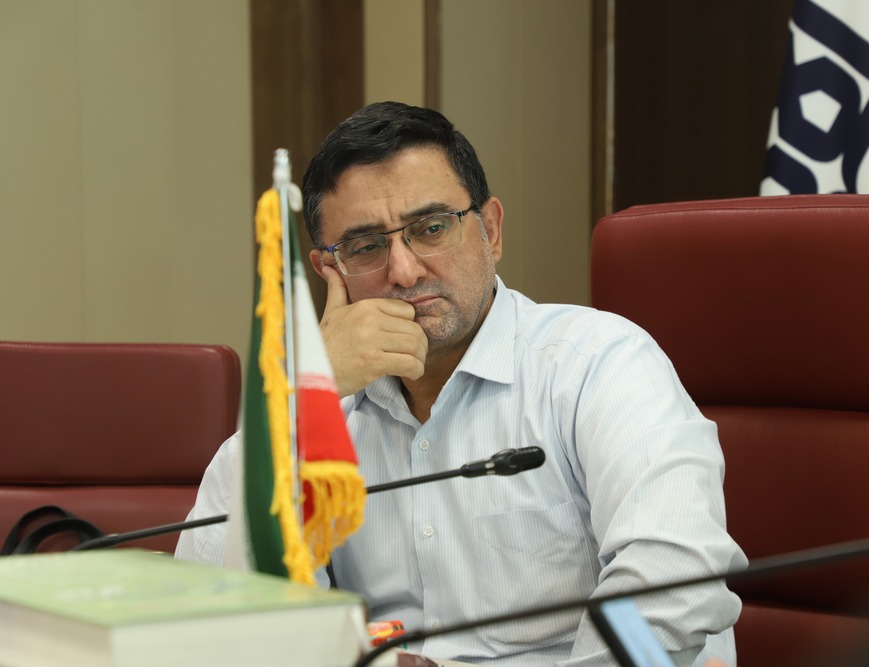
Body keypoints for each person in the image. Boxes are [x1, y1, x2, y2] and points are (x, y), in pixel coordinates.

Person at [176, 101, 746, 667]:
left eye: (431, 229)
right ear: (330, 271)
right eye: (367, 246)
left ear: (490, 231)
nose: (404, 271)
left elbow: (672, 582)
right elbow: (211, 613)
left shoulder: (596, 364)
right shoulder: (327, 413)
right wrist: (300, 400)